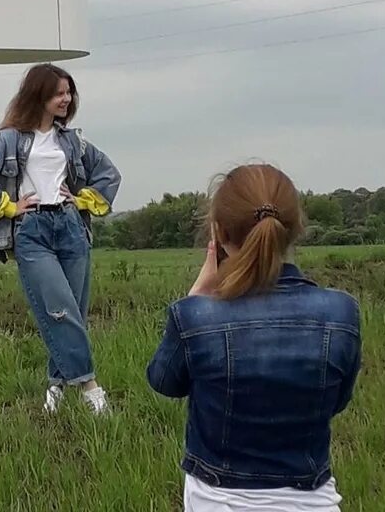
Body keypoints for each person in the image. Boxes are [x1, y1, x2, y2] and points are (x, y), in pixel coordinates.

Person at [147, 165, 361, 510]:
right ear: (294, 229)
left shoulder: (195, 316)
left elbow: (163, 382)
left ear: (218, 233)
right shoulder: (341, 313)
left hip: (217, 500)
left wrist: (197, 294)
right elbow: (338, 401)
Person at [0, 63, 121, 414]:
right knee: (58, 308)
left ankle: (55, 388)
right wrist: (8, 207)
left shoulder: (72, 139)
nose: (66, 99)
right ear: (40, 96)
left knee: (72, 313)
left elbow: (109, 173)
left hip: (70, 228)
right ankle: (92, 390)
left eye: (69, 92)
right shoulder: (8, 139)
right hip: (32, 231)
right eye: (58, 93)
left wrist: (81, 200)